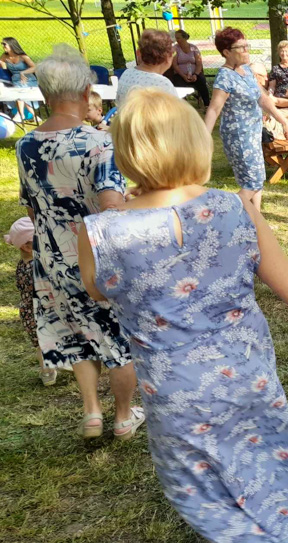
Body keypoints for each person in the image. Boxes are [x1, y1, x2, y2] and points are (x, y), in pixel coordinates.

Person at [77, 89, 288, 542]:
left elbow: (98, 290)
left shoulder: (101, 231)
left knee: (200, 490)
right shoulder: (236, 208)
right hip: (247, 372)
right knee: (262, 456)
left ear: (127, 152)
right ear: (194, 142)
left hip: (175, 388)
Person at [16, 44, 144, 440]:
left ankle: (91, 412)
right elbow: (109, 207)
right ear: (88, 91)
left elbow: (34, 208)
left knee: (75, 332)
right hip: (96, 257)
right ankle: (123, 416)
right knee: (116, 339)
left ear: (44, 94)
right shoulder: (99, 143)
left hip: (50, 256)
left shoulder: (25, 145)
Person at [204, 27, 288, 211]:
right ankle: (218, 213)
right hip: (239, 137)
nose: (247, 50)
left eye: (247, 45)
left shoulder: (245, 70)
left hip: (253, 133)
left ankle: (254, 220)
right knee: (252, 182)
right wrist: (204, 138)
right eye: (241, 47)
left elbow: (262, 98)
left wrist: (283, 121)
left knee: (255, 180)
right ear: (227, 52)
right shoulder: (225, 77)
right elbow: (214, 109)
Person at [5, 217, 56, 386]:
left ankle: (47, 371)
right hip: (40, 310)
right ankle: (53, 367)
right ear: (27, 246)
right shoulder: (36, 267)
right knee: (49, 339)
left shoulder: (22, 265)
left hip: (28, 313)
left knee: (40, 344)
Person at [249, 62, 288, 140]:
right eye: (264, 76)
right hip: (264, 123)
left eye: (267, 76)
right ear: (255, 76)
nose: (266, 79)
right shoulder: (253, 89)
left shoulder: (259, 87)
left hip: (270, 116)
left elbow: (275, 100)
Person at [116, 29, 177, 107]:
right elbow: (175, 114)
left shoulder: (127, 73)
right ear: (168, 57)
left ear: (139, 53)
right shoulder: (162, 83)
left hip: (125, 118)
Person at [169, 29, 210, 107]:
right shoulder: (175, 49)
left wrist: (195, 74)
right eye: (176, 38)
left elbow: (199, 63)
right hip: (181, 74)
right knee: (178, 83)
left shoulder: (194, 48)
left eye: (178, 38)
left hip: (194, 73)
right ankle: (183, 106)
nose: (177, 40)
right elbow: (175, 65)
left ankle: (207, 105)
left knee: (201, 81)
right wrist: (183, 76)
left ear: (185, 38)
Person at [1, 37, 39, 122]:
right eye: (2, 44)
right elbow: (3, 68)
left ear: (11, 45)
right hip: (15, 79)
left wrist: (23, 73)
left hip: (28, 79)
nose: (3, 46)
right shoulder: (4, 56)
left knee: (20, 89)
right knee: (19, 89)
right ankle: (33, 116)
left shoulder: (23, 56)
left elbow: (34, 67)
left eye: (4, 44)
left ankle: (21, 115)